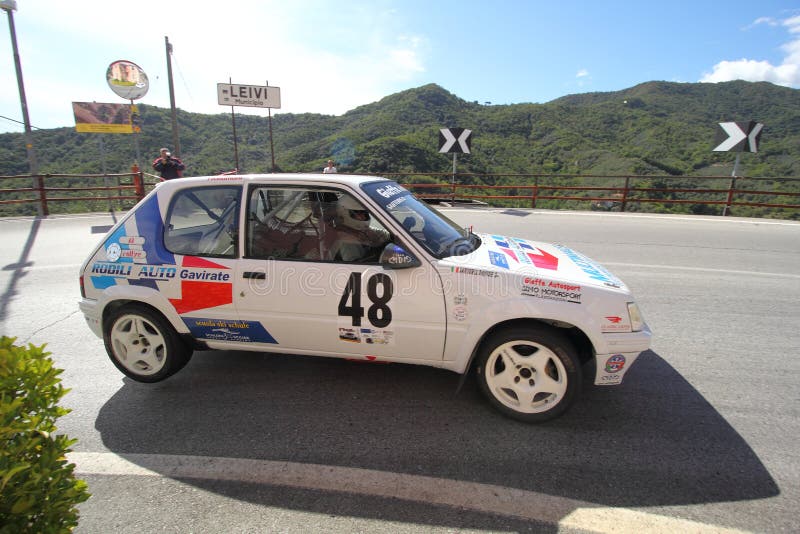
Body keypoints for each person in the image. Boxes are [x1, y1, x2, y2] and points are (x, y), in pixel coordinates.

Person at [324, 194, 390, 262]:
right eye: (358, 213)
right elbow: (356, 265)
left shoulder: (360, 230)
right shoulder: (345, 240)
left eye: (365, 213)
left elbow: (386, 235)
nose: (363, 216)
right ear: (344, 213)